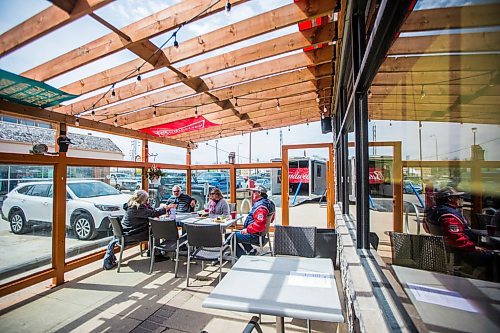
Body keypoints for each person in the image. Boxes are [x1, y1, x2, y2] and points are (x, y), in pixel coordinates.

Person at [425, 186, 494, 279]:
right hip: (461, 253)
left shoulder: (435, 211)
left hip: (449, 250)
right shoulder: (449, 215)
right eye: (457, 197)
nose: (459, 199)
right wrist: (474, 247)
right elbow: (455, 238)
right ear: (450, 199)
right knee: (494, 258)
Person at [121, 190, 170, 261]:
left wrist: (148, 206)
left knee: (152, 229)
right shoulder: (137, 208)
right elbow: (153, 213)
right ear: (142, 199)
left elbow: (151, 211)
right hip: (132, 235)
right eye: (146, 199)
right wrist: (165, 209)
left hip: (127, 232)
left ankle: (152, 251)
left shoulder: (130, 206)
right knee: (156, 231)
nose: (147, 200)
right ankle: (156, 254)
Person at [233, 185, 275, 258]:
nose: (252, 193)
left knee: (230, 236)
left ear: (259, 193)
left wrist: (248, 230)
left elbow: (259, 225)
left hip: (255, 236)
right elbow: (271, 220)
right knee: (239, 232)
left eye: (254, 192)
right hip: (260, 234)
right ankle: (251, 251)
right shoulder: (269, 203)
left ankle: (242, 257)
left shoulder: (261, 207)